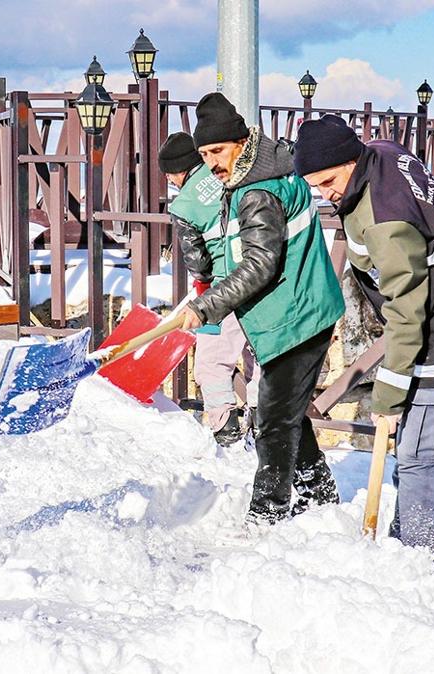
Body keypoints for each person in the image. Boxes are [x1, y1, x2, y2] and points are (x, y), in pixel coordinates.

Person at [294, 114, 434, 578]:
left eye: (329, 181)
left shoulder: (386, 220)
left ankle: (408, 571)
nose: (326, 195)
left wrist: (389, 394)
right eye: (316, 186)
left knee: (423, 458)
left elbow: (406, 314)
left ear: (350, 159)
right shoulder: (385, 153)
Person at [177, 93, 345, 524]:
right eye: (203, 155)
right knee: (288, 411)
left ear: (239, 141)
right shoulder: (265, 168)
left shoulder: (256, 191)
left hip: (295, 316)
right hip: (295, 309)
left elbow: (259, 264)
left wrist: (205, 305)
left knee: (272, 419)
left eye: (216, 151)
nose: (211, 164)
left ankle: (267, 514)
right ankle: (319, 495)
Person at [160, 131, 255, 445]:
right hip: (261, 276)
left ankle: (225, 430)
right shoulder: (230, 173)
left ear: (178, 171)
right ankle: (262, 423)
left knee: (211, 361)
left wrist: (203, 293)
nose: (171, 182)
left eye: (169, 176)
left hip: (223, 288)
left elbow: (198, 259)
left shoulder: (185, 205)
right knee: (261, 352)